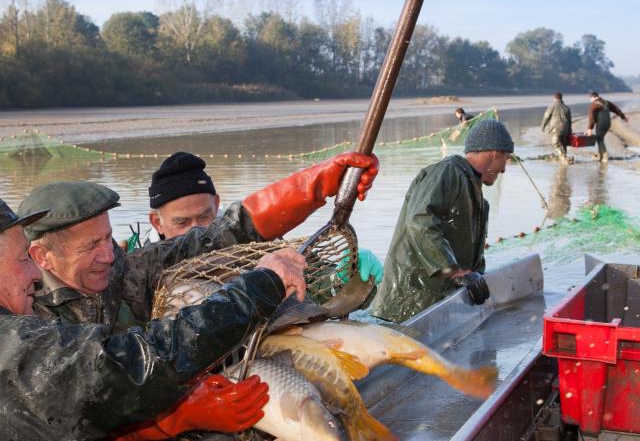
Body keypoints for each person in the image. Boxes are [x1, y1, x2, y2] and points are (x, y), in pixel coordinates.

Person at [0, 196, 304, 441]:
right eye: (22, 259)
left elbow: (199, 243)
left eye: (107, 239)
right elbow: (120, 370)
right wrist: (259, 288)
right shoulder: (14, 346)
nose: (34, 274)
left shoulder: (113, 280)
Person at [19, 150, 378, 333]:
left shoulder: (126, 271)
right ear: (43, 257)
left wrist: (316, 184)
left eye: (108, 239)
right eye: (89, 247)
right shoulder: (27, 316)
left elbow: (224, 235)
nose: (107, 256)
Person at [143, 150, 384, 283]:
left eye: (205, 216)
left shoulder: (248, 250)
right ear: (157, 222)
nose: (196, 230)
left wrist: (343, 278)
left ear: (216, 204)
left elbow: (314, 281)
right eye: (182, 222)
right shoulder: (137, 268)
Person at [371, 119, 514, 323]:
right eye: (506, 159)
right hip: (405, 305)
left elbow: (471, 261)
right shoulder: (447, 173)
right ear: (494, 153)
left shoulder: (480, 200)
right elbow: (419, 221)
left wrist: (475, 277)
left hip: (434, 308)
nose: (503, 170)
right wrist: (455, 271)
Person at [587, 91, 628, 162]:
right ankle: (601, 155)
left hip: (600, 123)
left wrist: (590, 128)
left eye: (590, 99)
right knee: (600, 139)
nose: (590, 100)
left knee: (599, 139)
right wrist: (623, 117)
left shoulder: (593, 105)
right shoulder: (607, 102)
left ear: (593, 97)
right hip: (608, 124)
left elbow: (592, 118)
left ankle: (604, 156)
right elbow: (616, 110)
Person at [540, 92, 572, 164]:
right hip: (565, 129)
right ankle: (564, 159)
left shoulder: (552, 106)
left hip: (555, 129)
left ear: (554, 98)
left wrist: (543, 126)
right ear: (561, 98)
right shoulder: (566, 107)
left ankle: (564, 158)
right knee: (564, 144)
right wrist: (570, 131)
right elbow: (570, 121)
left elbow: (546, 116)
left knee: (556, 144)